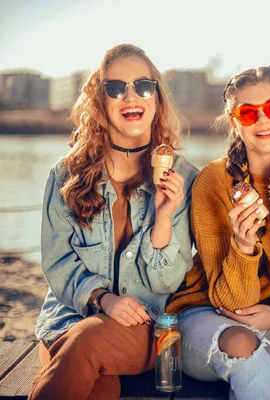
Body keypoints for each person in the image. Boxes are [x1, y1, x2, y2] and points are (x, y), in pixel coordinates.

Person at [29, 44, 197, 399]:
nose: (130, 96)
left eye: (143, 86)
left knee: (87, 343)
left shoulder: (184, 178)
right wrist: (103, 299)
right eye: (116, 88)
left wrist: (163, 217)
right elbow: (58, 264)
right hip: (67, 320)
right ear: (100, 101)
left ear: (157, 98)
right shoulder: (65, 175)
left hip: (144, 325)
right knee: (98, 387)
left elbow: (167, 280)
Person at [165, 66, 270, 400]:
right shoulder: (214, 181)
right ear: (234, 122)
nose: (263, 120)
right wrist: (244, 246)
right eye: (247, 113)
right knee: (243, 345)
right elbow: (232, 301)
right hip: (204, 315)